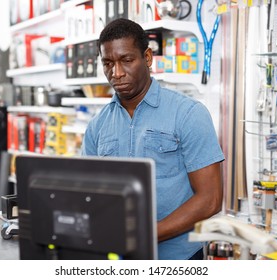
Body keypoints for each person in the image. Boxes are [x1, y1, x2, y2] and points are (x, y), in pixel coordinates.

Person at [81, 18, 225, 260]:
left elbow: (210, 200)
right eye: (108, 63)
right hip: (118, 257)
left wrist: (145, 234)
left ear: (147, 58)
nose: (116, 73)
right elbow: (88, 193)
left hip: (178, 259)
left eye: (127, 60)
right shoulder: (98, 126)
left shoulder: (188, 114)